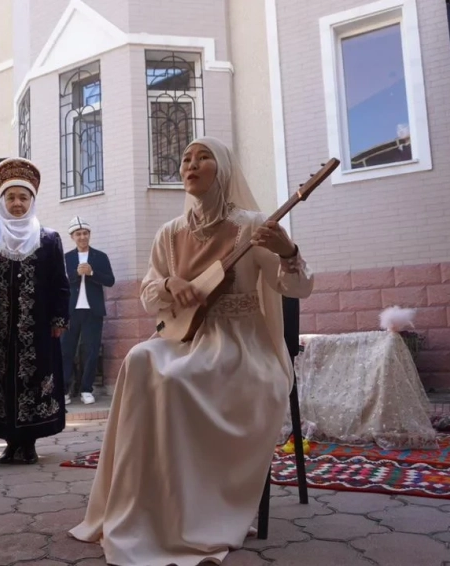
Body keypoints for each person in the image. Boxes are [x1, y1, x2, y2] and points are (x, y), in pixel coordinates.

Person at [69, 137, 314, 565]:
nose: (191, 164)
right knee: (140, 359)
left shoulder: (254, 226)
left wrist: (287, 251)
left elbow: (298, 288)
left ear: (223, 169)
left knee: (178, 381)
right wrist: (169, 284)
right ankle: (145, 501)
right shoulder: (170, 233)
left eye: (203, 158)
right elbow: (150, 291)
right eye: (186, 159)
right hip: (184, 337)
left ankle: (192, 513)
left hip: (241, 345)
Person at [0, 157, 70, 465]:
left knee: (32, 380)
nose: (17, 203)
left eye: (23, 197)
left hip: (37, 329)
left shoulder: (48, 239)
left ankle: (29, 443)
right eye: (11, 197)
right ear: (2, 200)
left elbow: (60, 283)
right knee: (0, 379)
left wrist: (59, 318)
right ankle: (11, 444)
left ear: (32, 200)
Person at [61, 216, 114, 405]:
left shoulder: (100, 257)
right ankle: (64, 390)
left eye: (85, 233)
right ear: (72, 237)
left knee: (91, 350)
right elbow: (59, 283)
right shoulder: (66, 258)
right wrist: (76, 274)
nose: (82, 237)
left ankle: (86, 389)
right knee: (66, 350)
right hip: (71, 311)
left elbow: (110, 280)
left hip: (93, 311)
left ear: (89, 235)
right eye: (78, 234)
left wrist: (91, 272)